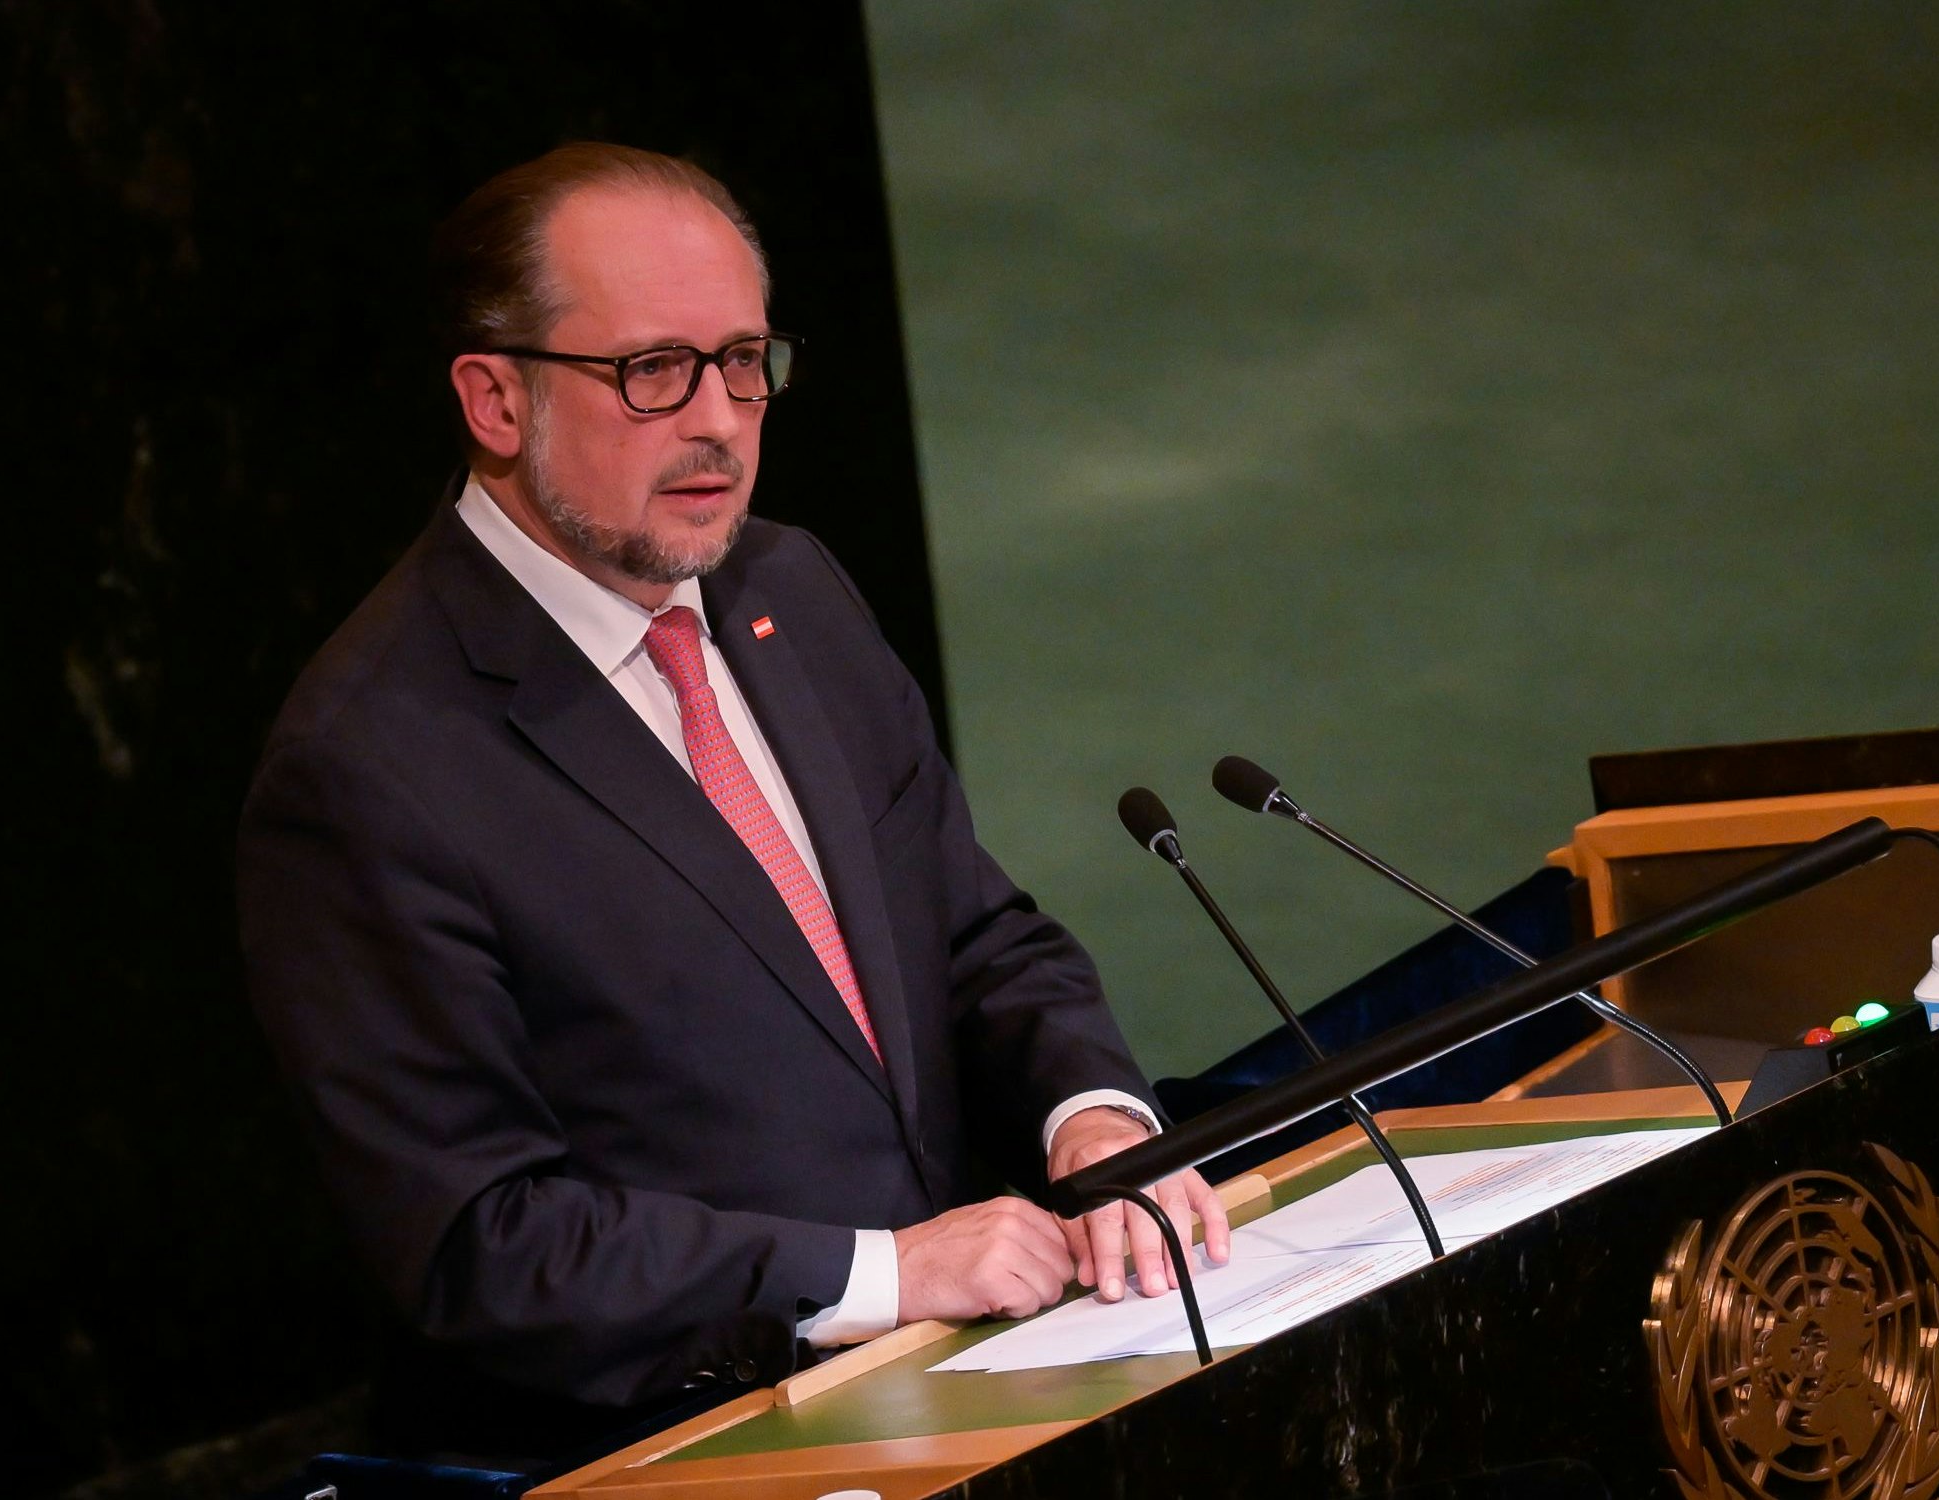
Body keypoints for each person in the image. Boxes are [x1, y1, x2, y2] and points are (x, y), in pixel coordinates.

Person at [235, 143, 1228, 1470]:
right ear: (492, 396)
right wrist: (879, 1276)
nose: (719, 419)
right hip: (690, 1448)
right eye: (652, 371)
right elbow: (486, 1241)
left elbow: (977, 939)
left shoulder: (793, 590)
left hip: (992, 1395)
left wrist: (1094, 1122)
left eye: (745, 361)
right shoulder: (371, 765)